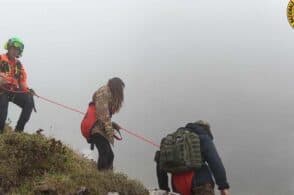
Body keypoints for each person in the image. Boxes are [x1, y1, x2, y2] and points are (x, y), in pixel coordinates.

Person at [155, 120, 230, 195]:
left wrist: (164, 188)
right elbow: (215, 161)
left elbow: (160, 163)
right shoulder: (203, 136)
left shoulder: (172, 140)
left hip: (177, 185)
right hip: (200, 182)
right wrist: (223, 186)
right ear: (206, 129)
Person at [89, 77, 125, 170]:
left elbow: (104, 116)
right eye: (120, 89)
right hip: (95, 128)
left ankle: (106, 177)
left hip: (99, 127)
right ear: (116, 87)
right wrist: (110, 132)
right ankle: (101, 178)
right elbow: (103, 114)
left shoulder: (108, 93)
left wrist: (112, 125)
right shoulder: (104, 92)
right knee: (105, 153)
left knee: (109, 156)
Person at [0, 37, 34, 133]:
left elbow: (22, 82)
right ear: (9, 48)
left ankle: (18, 131)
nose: (15, 52)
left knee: (29, 101)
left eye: (17, 50)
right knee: (2, 116)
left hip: (12, 91)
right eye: (13, 49)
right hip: (1, 92)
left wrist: (28, 90)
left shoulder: (19, 65)